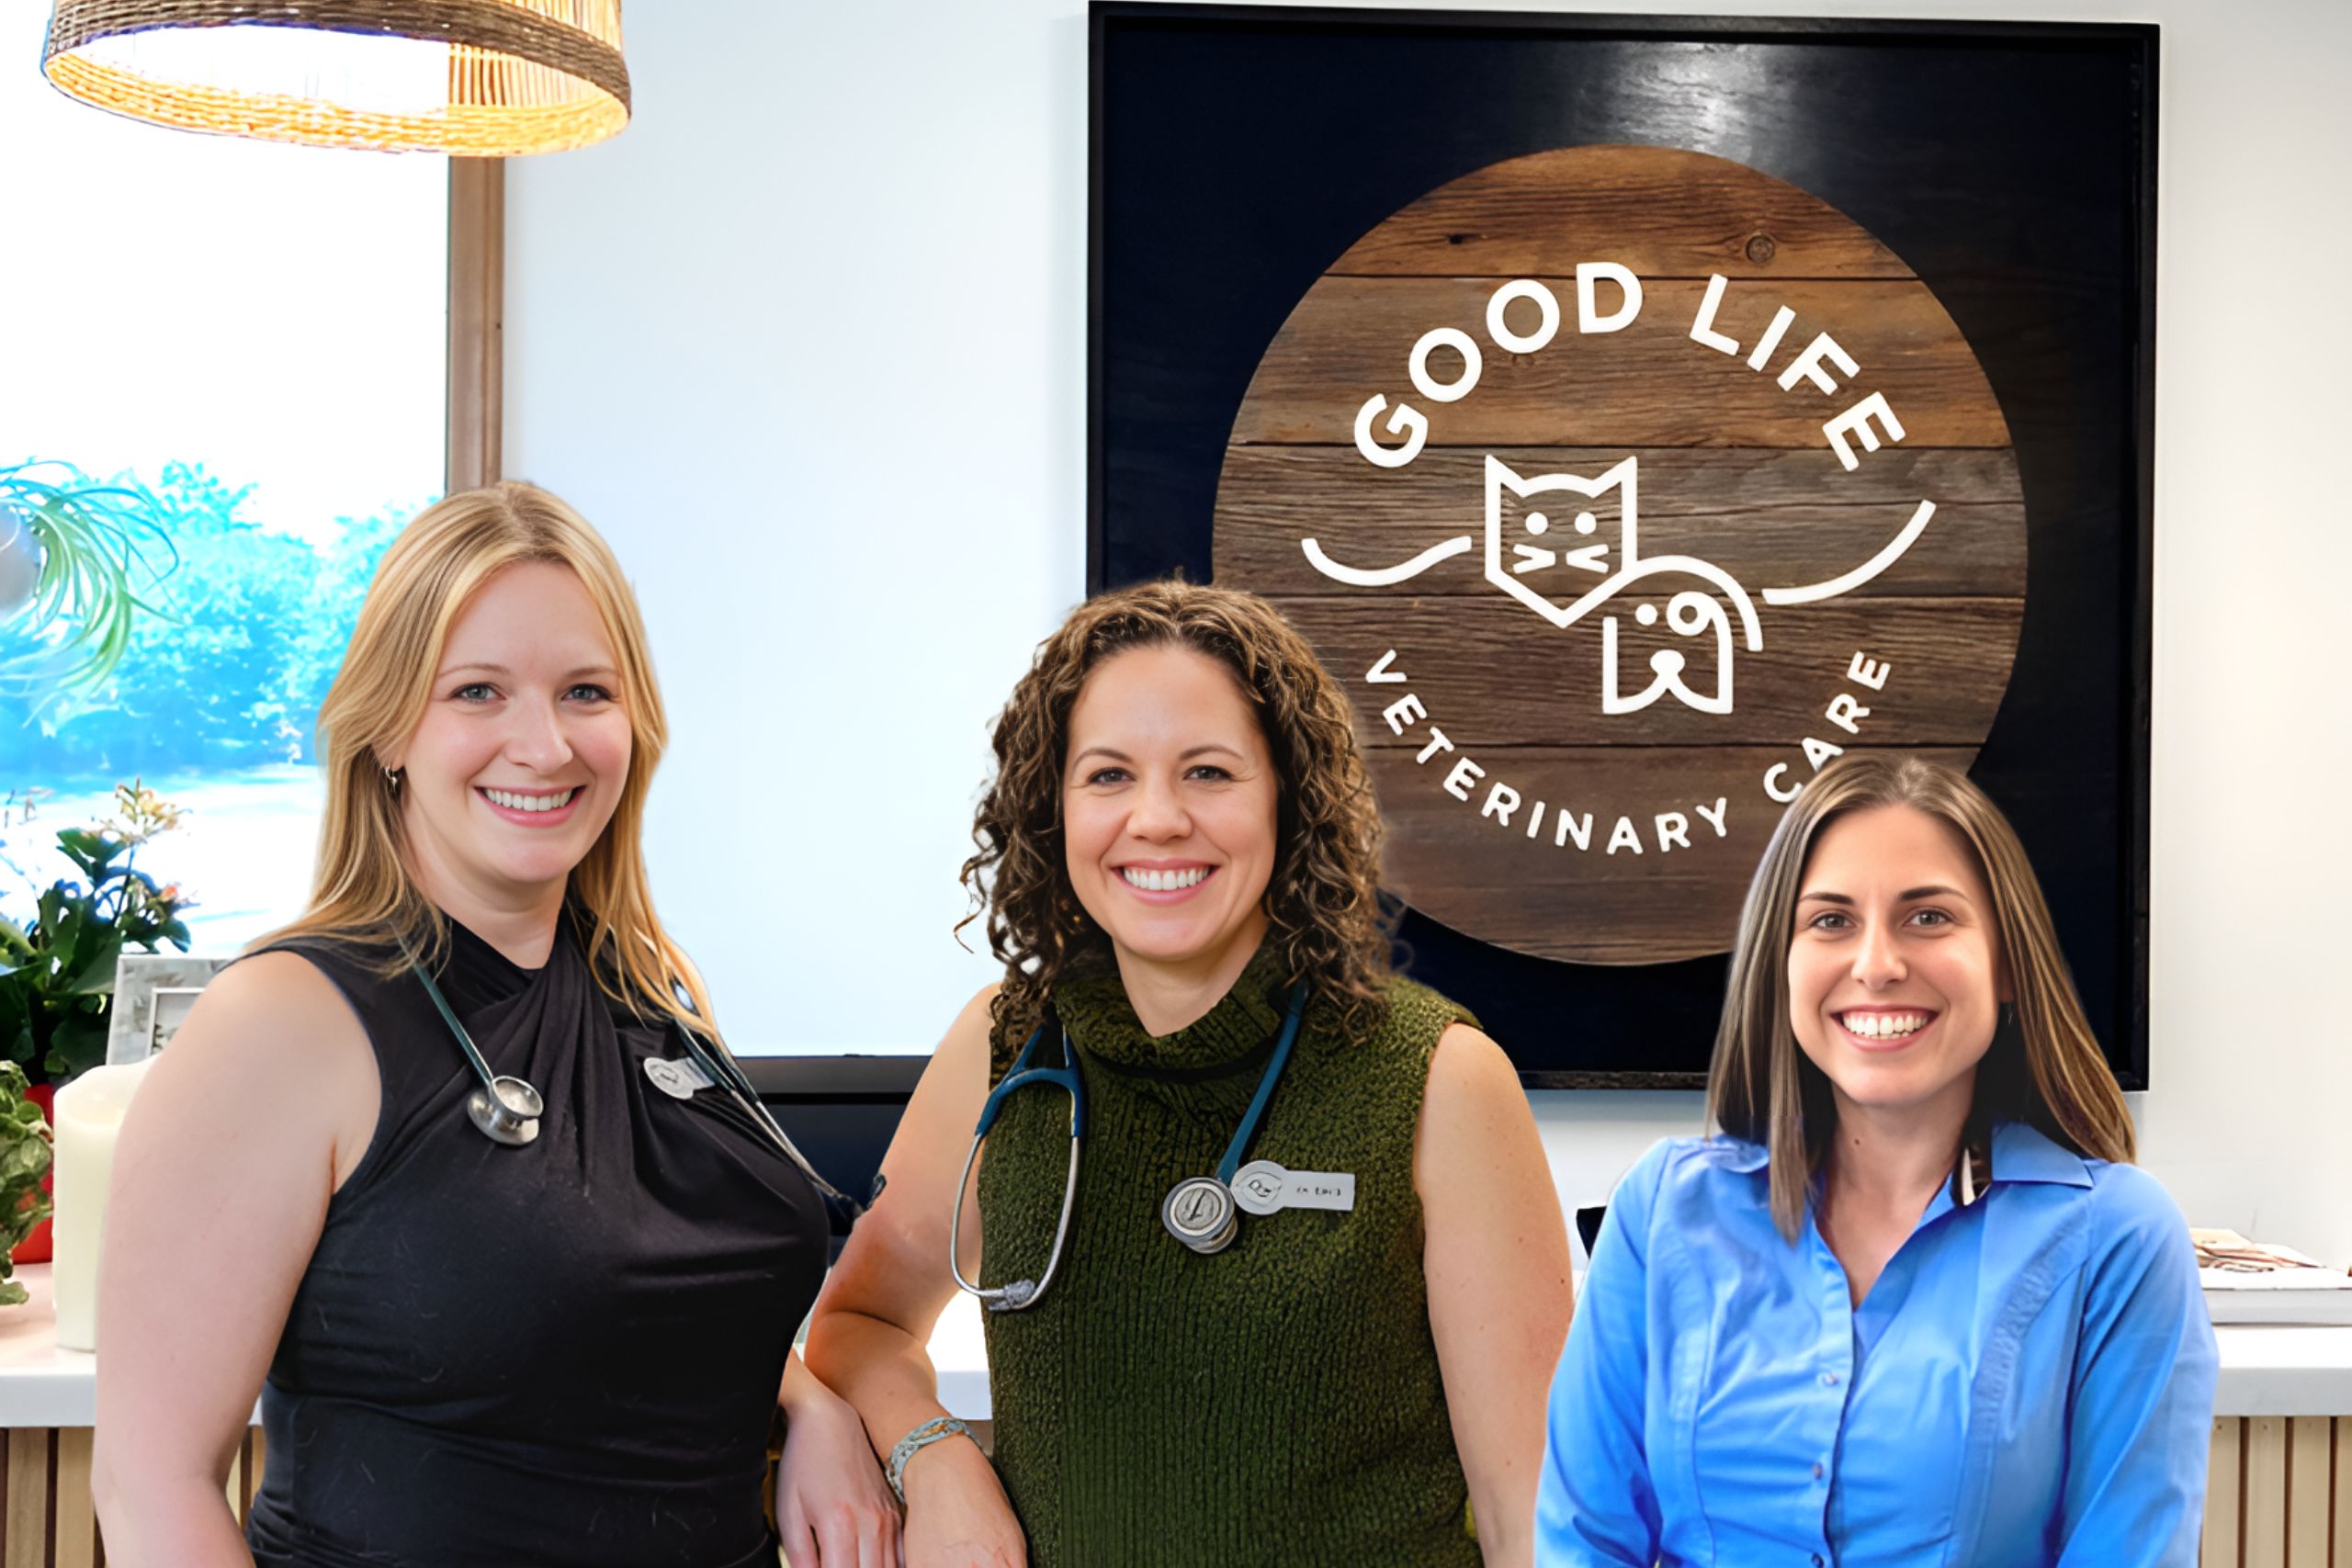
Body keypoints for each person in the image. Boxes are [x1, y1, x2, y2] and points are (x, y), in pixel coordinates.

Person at [92, 483, 898, 1568]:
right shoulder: (283, 1023)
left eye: (585, 692)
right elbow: (152, 1486)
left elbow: (603, 1314)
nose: (545, 743)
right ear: (386, 728)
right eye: (477, 691)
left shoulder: (650, 992)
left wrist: (809, 1405)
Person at [804, 581, 1573, 1567]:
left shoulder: (1436, 1079)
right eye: (1109, 776)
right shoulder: (1004, 1047)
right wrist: (935, 1454)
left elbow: (1532, 1520)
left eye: (1208, 773)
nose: (1158, 819)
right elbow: (859, 1324)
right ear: (1053, 808)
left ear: (1287, 799)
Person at [1537, 753, 2216, 1566]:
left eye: (1928, 916)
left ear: (2006, 964)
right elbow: (1585, 1539)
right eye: (1830, 920)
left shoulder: (2119, 1240)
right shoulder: (1661, 1209)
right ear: (1778, 965)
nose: (1876, 964)